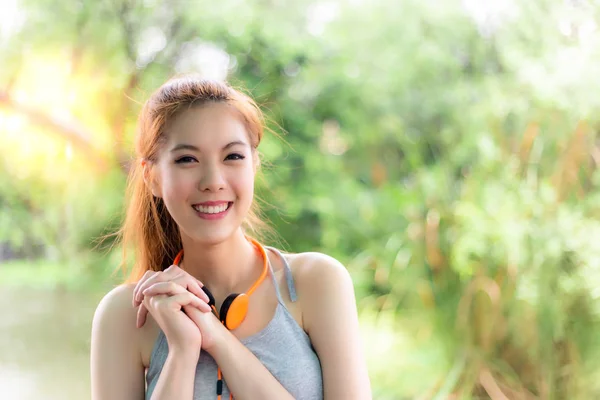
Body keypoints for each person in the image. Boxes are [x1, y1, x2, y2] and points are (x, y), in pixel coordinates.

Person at [90, 75, 372, 400]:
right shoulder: (126, 316)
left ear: (254, 164)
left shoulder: (316, 283)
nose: (213, 180)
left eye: (232, 156)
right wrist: (182, 352)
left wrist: (217, 339)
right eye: (187, 159)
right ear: (151, 177)